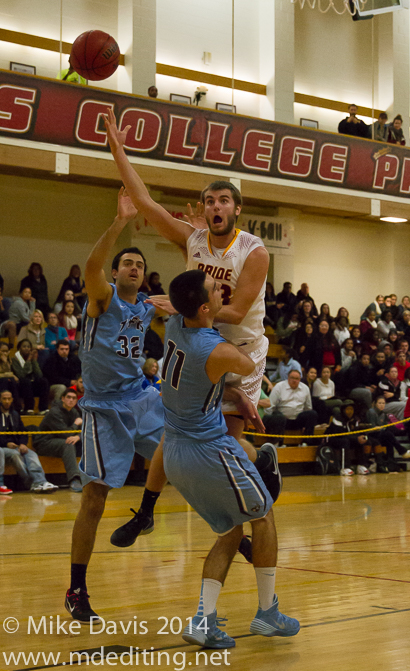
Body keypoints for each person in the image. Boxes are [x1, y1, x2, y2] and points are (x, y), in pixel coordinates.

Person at [105, 108, 271, 545]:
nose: (216, 207)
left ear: (237, 208)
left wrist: (178, 309)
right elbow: (146, 203)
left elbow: (233, 314)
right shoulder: (194, 239)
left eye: (224, 201)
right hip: (198, 343)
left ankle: (253, 487)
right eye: (210, 201)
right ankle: (145, 511)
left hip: (239, 353)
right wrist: (119, 151)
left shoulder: (254, 252)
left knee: (227, 448)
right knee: (174, 430)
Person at [160, 269, 299, 647]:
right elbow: (250, 364)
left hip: (173, 451)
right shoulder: (216, 349)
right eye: (215, 290)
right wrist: (244, 325)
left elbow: (176, 303)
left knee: (231, 530)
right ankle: (267, 613)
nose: (223, 291)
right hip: (208, 451)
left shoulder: (174, 324)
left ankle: (203, 620)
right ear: (204, 307)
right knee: (264, 516)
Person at [65, 188, 166, 623]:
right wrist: (120, 222)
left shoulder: (146, 307)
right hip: (104, 408)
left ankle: (147, 514)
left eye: (140, 265)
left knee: (183, 452)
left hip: (141, 398)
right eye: (128, 262)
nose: (135, 268)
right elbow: (91, 266)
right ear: (116, 270)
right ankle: (76, 587)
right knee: (94, 498)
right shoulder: (101, 298)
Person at [0, 389, 58, 493]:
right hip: (3, 448)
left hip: (16, 446)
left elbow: (23, 431)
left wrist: (23, 444)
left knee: (31, 454)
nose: (7, 401)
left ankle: (41, 481)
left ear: (12, 399)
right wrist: (6, 443)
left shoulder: (15, 415)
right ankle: (30, 482)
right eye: (4, 399)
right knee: (15, 455)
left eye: (9, 399)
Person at [33, 389, 83, 490]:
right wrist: (75, 424)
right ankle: (74, 480)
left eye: (74, 398)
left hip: (60, 442)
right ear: (63, 399)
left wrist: (78, 437)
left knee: (87, 442)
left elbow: (84, 430)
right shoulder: (54, 412)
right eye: (68, 397)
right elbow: (64, 434)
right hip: (45, 443)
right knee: (68, 444)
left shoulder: (74, 412)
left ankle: (95, 478)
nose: (71, 400)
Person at [263, 369, 318, 445]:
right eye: (292, 378)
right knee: (277, 416)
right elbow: (270, 406)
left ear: (300, 379)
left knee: (312, 414)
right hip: (283, 421)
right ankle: (279, 443)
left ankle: (306, 443)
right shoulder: (279, 387)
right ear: (288, 378)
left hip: (298, 420)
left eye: (297, 379)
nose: (294, 381)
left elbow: (308, 408)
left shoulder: (305, 388)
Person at [11, 339, 50, 415]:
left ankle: (43, 408)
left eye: (28, 347)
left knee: (43, 381)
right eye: (24, 346)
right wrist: (28, 361)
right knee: (25, 381)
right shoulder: (14, 360)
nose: (26, 348)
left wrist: (34, 361)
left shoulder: (32, 358)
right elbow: (21, 375)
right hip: (20, 386)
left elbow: (39, 374)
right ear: (19, 348)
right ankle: (29, 408)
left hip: (31, 386)